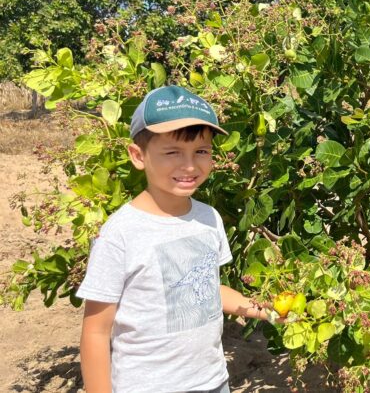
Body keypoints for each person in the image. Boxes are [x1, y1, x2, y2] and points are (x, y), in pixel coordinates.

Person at [77, 86, 275, 393]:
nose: (190, 165)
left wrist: (266, 309)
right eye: (172, 152)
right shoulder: (120, 233)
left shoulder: (209, 218)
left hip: (213, 381)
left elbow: (208, 289)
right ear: (138, 155)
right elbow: (96, 331)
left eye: (201, 151)